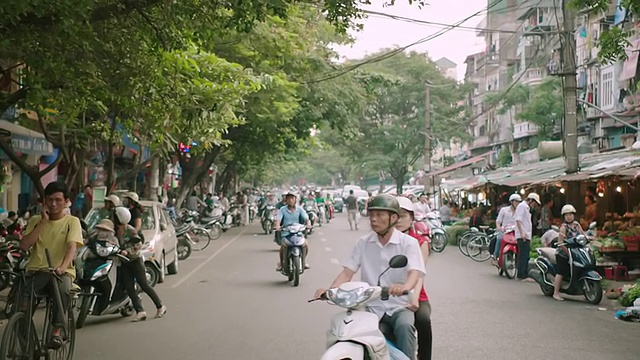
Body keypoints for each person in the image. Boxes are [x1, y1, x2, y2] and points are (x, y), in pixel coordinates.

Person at [314, 194, 426, 360]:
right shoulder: (363, 242)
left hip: (399, 306)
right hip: (369, 306)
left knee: (405, 326)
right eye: (371, 215)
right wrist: (330, 291)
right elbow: (347, 273)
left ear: (393, 218)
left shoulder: (408, 243)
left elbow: (414, 272)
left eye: (379, 215)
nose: (373, 219)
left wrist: (405, 287)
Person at [20, 181, 84, 349]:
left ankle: (57, 330)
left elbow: (72, 248)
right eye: (50, 200)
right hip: (36, 271)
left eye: (58, 200)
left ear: (66, 202)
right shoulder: (35, 220)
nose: (53, 204)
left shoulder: (72, 221)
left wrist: (63, 267)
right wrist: (42, 222)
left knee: (62, 290)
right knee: (21, 306)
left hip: (61, 273)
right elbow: (25, 245)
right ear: (44, 201)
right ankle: (27, 344)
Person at [395, 196, 432, 360]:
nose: (398, 220)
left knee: (423, 320)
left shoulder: (420, 241)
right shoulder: (383, 239)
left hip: (416, 294)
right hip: (390, 294)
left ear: (411, 218)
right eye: (394, 215)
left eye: (403, 216)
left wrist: (414, 298)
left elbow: (419, 274)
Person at [120, 227, 167, 321]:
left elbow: (138, 244)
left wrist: (127, 251)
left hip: (135, 260)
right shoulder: (113, 230)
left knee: (144, 285)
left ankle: (160, 306)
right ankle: (140, 311)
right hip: (124, 262)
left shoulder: (130, 230)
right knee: (129, 287)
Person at [552, 204, 587, 301]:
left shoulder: (576, 225)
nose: (569, 216)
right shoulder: (564, 227)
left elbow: (583, 235)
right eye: (566, 215)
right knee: (561, 272)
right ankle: (556, 293)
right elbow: (560, 242)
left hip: (576, 251)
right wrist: (567, 252)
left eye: (570, 214)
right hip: (563, 252)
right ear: (564, 216)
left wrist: (588, 238)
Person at [274, 192, 311, 271]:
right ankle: (281, 263)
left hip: (298, 232)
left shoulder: (300, 209)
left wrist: (308, 224)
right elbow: (278, 220)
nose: (290, 200)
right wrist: (277, 226)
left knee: (306, 244)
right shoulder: (282, 210)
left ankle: (303, 262)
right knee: (283, 247)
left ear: (295, 200)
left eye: (292, 198)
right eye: (288, 198)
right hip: (286, 233)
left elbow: (306, 219)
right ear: (286, 200)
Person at [515, 193, 541, 281]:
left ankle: (522, 274)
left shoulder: (525, 207)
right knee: (524, 255)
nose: (535, 205)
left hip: (525, 234)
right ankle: (522, 275)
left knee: (524, 254)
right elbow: (518, 220)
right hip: (523, 235)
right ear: (531, 200)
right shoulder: (522, 206)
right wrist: (522, 233)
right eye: (535, 203)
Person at [493, 194, 520, 261]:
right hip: (505, 231)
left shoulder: (520, 211)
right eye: (515, 201)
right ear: (511, 202)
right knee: (499, 239)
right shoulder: (504, 210)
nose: (517, 203)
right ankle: (495, 255)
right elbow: (498, 221)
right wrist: (499, 228)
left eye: (518, 202)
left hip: (515, 232)